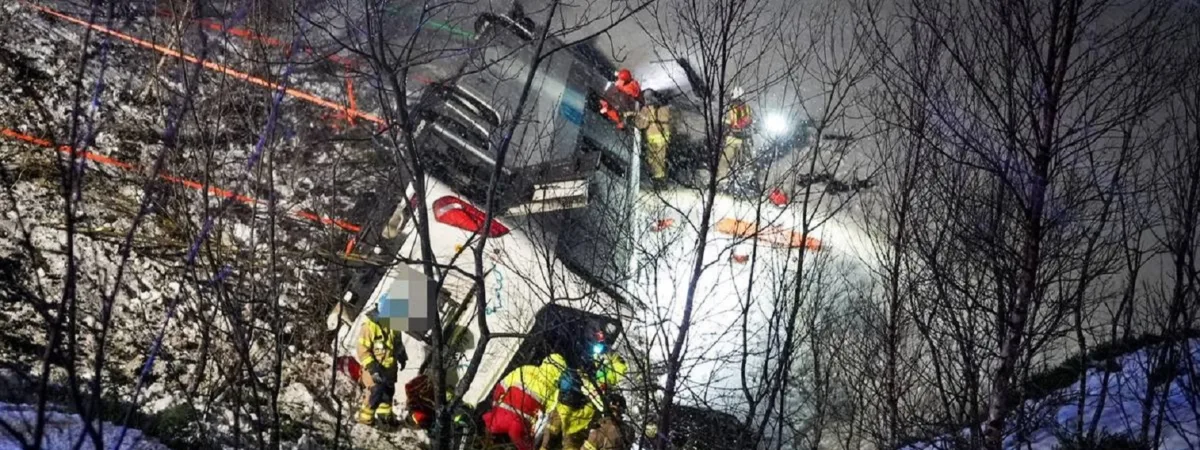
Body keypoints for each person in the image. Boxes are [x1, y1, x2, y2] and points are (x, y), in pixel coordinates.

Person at [484, 354, 570, 450]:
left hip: (501, 416)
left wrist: (495, 405)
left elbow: (502, 386)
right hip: (519, 426)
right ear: (560, 372)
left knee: (485, 430)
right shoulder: (554, 389)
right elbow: (547, 413)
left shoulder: (526, 369)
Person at [355, 305, 407, 425]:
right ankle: (365, 419)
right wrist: (373, 369)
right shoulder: (369, 326)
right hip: (373, 368)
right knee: (376, 391)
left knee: (388, 392)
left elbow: (398, 343)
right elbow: (362, 349)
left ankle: (385, 417)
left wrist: (402, 357)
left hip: (389, 369)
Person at [634, 90, 672, 189]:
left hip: (653, 139)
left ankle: (658, 182)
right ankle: (662, 180)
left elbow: (640, 124)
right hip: (664, 137)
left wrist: (636, 116)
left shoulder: (646, 110)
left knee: (653, 161)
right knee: (661, 159)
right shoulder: (665, 108)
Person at [719, 86, 753, 182]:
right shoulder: (746, 109)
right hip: (737, 139)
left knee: (726, 161)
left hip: (735, 140)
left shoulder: (731, 110)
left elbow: (726, 124)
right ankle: (728, 180)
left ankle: (724, 180)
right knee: (732, 161)